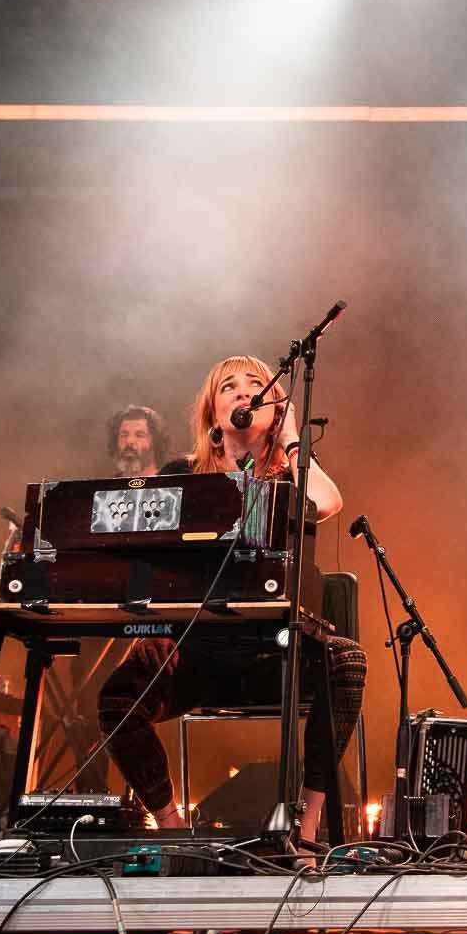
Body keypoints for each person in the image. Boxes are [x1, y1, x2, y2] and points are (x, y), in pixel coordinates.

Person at [98, 354, 364, 843]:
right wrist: (158, 627)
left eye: (256, 385)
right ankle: (173, 828)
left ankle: (306, 828)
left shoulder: (291, 478)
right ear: (212, 416)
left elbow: (327, 503)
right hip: (199, 657)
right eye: (229, 388)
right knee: (117, 698)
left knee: (347, 663)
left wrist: (288, 438)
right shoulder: (183, 474)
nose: (244, 392)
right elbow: (150, 555)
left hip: (275, 658)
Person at [106, 404, 170, 479]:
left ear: (156, 442)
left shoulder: (170, 485)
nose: (129, 441)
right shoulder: (107, 487)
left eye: (139, 435)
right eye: (124, 435)